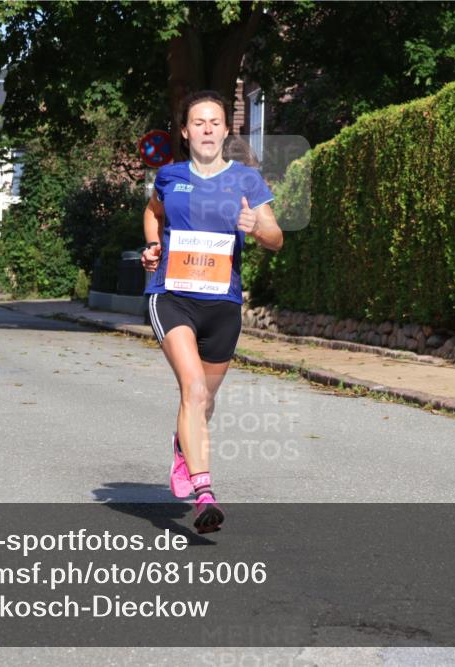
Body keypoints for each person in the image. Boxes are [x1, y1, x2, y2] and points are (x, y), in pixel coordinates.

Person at [142, 90, 283, 533]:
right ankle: (205, 495)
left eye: (214, 122)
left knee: (204, 401)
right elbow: (153, 213)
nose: (206, 129)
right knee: (193, 388)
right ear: (185, 132)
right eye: (197, 122)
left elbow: (277, 237)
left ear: (225, 130)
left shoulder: (246, 181)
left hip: (223, 303)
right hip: (172, 294)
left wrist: (256, 226)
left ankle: (183, 447)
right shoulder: (170, 176)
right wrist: (153, 246)